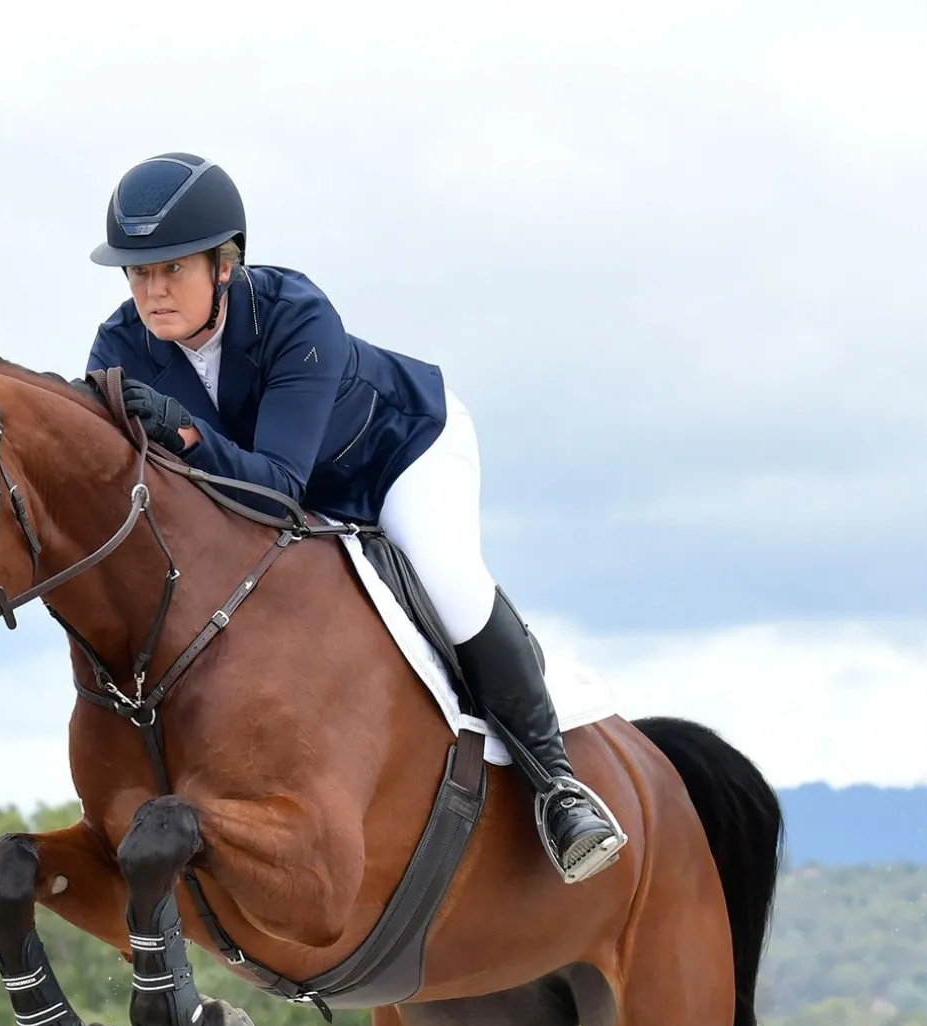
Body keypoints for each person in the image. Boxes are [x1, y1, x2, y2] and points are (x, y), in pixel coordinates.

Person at [87, 152, 625, 884]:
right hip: (290, 502)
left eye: (171, 269)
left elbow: (278, 486)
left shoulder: (295, 315)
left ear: (224, 263)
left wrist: (184, 434)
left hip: (397, 458)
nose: (152, 291)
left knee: (445, 579)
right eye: (138, 273)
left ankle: (559, 789)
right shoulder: (119, 348)